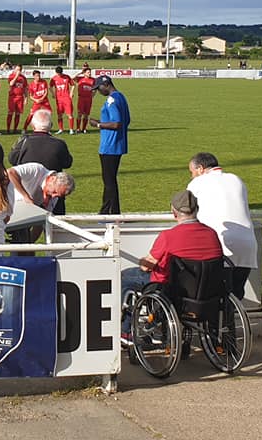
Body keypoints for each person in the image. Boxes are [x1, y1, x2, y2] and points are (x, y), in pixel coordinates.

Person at [120, 190, 224, 335]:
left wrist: (142, 261)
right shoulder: (212, 234)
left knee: (124, 277)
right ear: (197, 209)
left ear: (174, 212)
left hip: (172, 290)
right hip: (207, 292)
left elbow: (145, 266)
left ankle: (126, 331)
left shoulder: (168, 236)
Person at [186, 152, 257, 299]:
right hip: (247, 244)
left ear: (200, 168)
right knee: (236, 295)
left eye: (192, 172)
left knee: (219, 296)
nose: (191, 176)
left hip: (219, 244)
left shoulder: (197, 183)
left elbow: (186, 210)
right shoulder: (236, 179)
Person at [8, 109, 74, 202]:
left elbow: (12, 159)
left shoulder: (24, 141)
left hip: (27, 194)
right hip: (53, 192)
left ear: (32, 125)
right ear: (51, 125)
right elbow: (67, 163)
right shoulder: (59, 144)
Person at [88, 75, 131, 214]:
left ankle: (111, 213)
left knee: (109, 181)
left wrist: (98, 124)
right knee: (110, 180)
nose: (99, 91)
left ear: (106, 85)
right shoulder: (121, 97)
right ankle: (108, 212)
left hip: (109, 146)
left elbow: (116, 123)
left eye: (99, 88)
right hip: (118, 144)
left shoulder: (111, 100)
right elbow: (126, 121)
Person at [7, 162, 76, 246]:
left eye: (58, 195)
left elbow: (41, 222)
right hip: (1, 205)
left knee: (25, 247)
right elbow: (10, 173)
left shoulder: (53, 198)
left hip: (20, 218)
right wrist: (26, 196)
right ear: (52, 179)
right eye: (54, 191)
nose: (54, 196)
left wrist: (30, 244)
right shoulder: (36, 170)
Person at [50, 66, 75, 135]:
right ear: (56, 73)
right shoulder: (54, 78)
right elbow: (50, 87)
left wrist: (71, 92)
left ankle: (71, 130)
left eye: (60, 73)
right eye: (58, 73)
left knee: (70, 114)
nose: (59, 75)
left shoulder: (67, 77)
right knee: (59, 114)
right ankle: (61, 129)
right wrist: (53, 94)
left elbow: (73, 85)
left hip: (67, 98)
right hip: (58, 99)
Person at [5, 65, 28, 134]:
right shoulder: (11, 76)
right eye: (17, 69)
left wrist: (26, 98)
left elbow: (25, 88)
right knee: (10, 112)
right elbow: (11, 84)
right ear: (14, 69)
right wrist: (16, 76)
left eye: (20, 69)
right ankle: (8, 129)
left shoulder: (23, 78)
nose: (18, 71)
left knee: (18, 113)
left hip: (20, 97)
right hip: (13, 97)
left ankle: (15, 129)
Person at [73, 65, 95, 133]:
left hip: (89, 99)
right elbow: (73, 78)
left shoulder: (93, 80)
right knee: (79, 114)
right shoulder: (80, 79)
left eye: (90, 72)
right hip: (81, 98)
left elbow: (95, 88)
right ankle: (78, 128)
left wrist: (93, 94)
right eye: (88, 72)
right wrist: (80, 73)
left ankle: (84, 129)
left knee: (86, 114)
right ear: (84, 73)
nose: (89, 73)